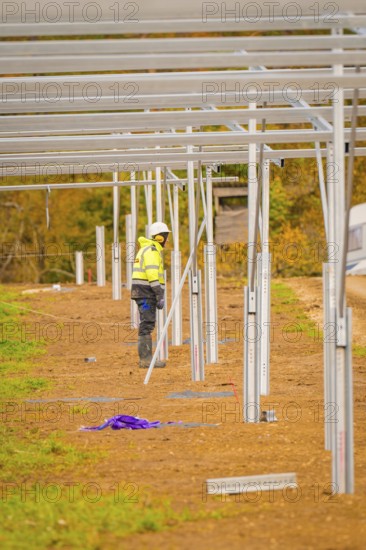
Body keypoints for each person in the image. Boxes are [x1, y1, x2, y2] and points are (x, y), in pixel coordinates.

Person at [131, 221, 171, 368]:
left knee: (146, 322)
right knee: (147, 324)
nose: (167, 239)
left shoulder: (145, 249)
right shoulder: (152, 251)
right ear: (160, 237)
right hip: (146, 293)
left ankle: (146, 359)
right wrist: (159, 294)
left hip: (141, 292)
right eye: (166, 236)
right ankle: (146, 360)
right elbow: (152, 274)